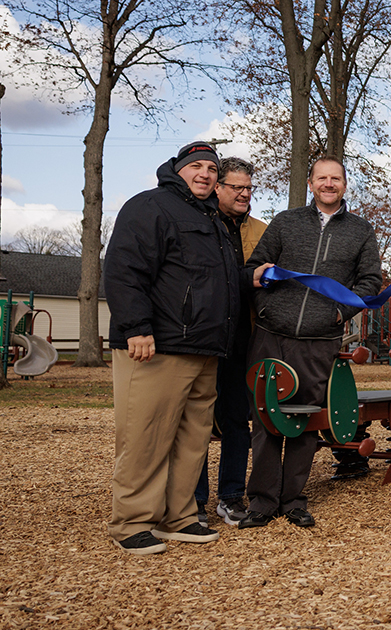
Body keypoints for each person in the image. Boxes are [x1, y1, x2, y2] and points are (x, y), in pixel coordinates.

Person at [104, 141, 241, 554]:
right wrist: (136, 327)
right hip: (157, 345)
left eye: (212, 168)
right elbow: (124, 269)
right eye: (196, 166)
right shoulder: (151, 206)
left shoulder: (212, 219)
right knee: (145, 436)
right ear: (178, 169)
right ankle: (131, 522)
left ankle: (177, 517)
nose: (205, 173)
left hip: (203, 348)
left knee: (191, 440)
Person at [240, 156, 382, 529]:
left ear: (345, 185)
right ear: (311, 182)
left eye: (336, 178)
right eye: (322, 178)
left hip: (320, 339)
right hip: (272, 334)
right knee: (267, 416)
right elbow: (256, 268)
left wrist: (338, 314)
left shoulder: (361, 231)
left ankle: (294, 499)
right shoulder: (286, 222)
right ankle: (262, 500)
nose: (329, 184)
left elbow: (369, 283)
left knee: (304, 421)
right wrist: (266, 307)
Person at [193, 157, 267, 527]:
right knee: (198, 421)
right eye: (236, 187)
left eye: (249, 187)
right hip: (205, 339)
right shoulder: (198, 224)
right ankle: (194, 501)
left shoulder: (262, 230)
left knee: (239, 420)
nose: (244, 194)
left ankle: (231, 496)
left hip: (243, 340)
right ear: (217, 188)